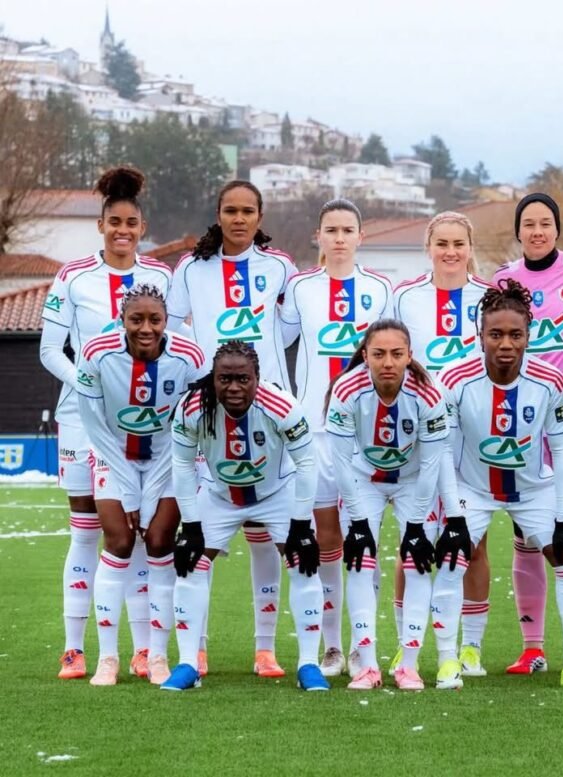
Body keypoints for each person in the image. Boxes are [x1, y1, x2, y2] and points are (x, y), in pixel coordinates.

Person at [40, 167, 173, 680]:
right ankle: (75, 649)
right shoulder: (73, 276)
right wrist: (89, 383)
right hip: (83, 419)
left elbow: (170, 350)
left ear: (142, 227)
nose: (122, 229)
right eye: (114, 221)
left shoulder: (160, 278)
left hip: (146, 424)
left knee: (137, 534)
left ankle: (142, 650)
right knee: (86, 530)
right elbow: (51, 350)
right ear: (101, 225)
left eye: (131, 222)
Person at [437, 279, 563, 690]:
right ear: (480, 336)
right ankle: (450, 658)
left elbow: (561, 453)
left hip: (534, 491)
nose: (505, 343)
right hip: (472, 489)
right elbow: (443, 453)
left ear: (529, 335)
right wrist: (453, 515)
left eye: (515, 334)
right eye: (495, 334)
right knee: (452, 559)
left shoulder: (549, 381)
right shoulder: (454, 379)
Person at [167, 181, 296, 677]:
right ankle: (194, 650)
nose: (238, 218)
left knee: (264, 532)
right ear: (217, 214)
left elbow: (287, 329)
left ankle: (265, 649)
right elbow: (175, 329)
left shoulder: (279, 266)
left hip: (265, 405)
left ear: (259, 216)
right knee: (201, 532)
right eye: (230, 210)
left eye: (248, 211)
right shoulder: (191, 268)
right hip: (209, 408)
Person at [162, 340, 328, 692]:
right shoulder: (192, 407)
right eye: (225, 379)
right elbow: (181, 463)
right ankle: (189, 662)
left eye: (243, 379)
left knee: (304, 561)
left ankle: (309, 663)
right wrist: (190, 524)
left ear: (257, 378)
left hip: (276, 493)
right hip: (219, 496)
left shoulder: (281, 405)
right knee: (190, 561)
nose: (234, 387)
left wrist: (300, 524)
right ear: (213, 377)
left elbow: (308, 462)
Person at [280, 198, 392, 677]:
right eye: (332, 229)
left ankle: (365, 645)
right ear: (318, 237)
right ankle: (330, 646)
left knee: (363, 537)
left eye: (348, 229)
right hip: (315, 433)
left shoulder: (381, 288)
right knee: (324, 539)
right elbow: (275, 344)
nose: (340, 237)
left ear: (361, 237)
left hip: (366, 433)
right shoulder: (300, 288)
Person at [492, 194, 563, 675]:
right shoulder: (502, 279)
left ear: (558, 229)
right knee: (527, 538)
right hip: (523, 425)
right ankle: (533, 647)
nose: (537, 231)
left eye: (545, 223)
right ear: (518, 231)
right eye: (529, 224)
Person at [76, 284, 205, 685]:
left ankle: (158, 656)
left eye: (155, 320)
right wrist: (130, 489)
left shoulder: (190, 356)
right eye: (137, 319)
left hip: (171, 459)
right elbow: (94, 424)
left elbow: (190, 425)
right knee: (117, 542)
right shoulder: (96, 354)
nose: (146, 328)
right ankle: (108, 657)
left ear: (167, 322)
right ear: (122, 319)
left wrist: (151, 490)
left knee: (161, 542)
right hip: (113, 454)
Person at [326, 320, 464, 690]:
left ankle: (410, 665)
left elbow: (434, 463)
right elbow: (339, 459)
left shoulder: (429, 394)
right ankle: (367, 666)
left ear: (409, 356)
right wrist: (356, 521)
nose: (388, 362)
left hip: (413, 482)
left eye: (396, 354)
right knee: (359, 562)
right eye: (379, 354)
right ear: (365, 356)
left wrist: (417, 526)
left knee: (416, 562)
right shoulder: (346, 388)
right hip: (363, 481)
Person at [393, 211, 493, 677]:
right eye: (442, 243)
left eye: (459, 243)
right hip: (417, 435)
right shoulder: (405, 297)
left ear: (470, 247)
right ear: (428, 247)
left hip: (473, 435)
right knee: (412, 540)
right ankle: (404, 643)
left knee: (472, 542)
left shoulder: (489, 298)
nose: (450, 251)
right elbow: (389, 353)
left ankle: (470, 647)